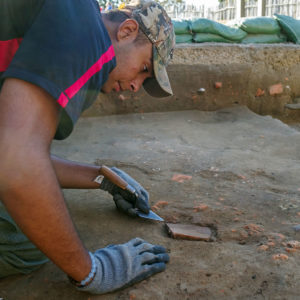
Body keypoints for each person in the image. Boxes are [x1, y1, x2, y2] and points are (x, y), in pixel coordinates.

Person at [0, 0, 175, 294]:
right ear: (127, 31)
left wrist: (102, 178)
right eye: (144, 68)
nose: (136, 86)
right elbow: (15, 163)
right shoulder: (87, 33)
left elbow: (9, 150)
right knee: (25, 244)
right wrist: (91, 271)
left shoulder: (68, 13)